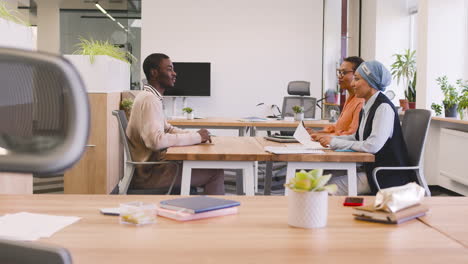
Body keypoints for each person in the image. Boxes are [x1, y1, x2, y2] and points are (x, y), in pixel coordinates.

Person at [126, 53, 224, 194]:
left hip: (152, 169)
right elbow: (156, 141)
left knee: (205, 167)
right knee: (215, 173)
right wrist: (197, 137)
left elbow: (167, 129)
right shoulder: (150, 100)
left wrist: (196, 135)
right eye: (169, 69)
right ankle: (216, 215)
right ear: (154, 73)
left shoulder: (149, 96)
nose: (174, 73)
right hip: (150, 175)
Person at [314, 60, 415, 194]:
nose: (352, 84)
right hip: (369, 169)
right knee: (320, 178)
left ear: (371, 83)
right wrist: (330, 139)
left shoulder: (383, 108)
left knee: (323, 188)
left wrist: (335, 141)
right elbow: (357, 137)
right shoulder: (367, 106)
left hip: (383, 175)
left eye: (357, 79)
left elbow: (372, 146)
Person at [310, 56, 365, 136]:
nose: (339, 76)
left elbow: (352, 134)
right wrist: (317, 133)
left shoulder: (360, 102)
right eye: (339, 72)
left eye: (344, 72)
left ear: (357, 75)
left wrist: (325, 136)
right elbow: (339, 128)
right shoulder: (350, 98)